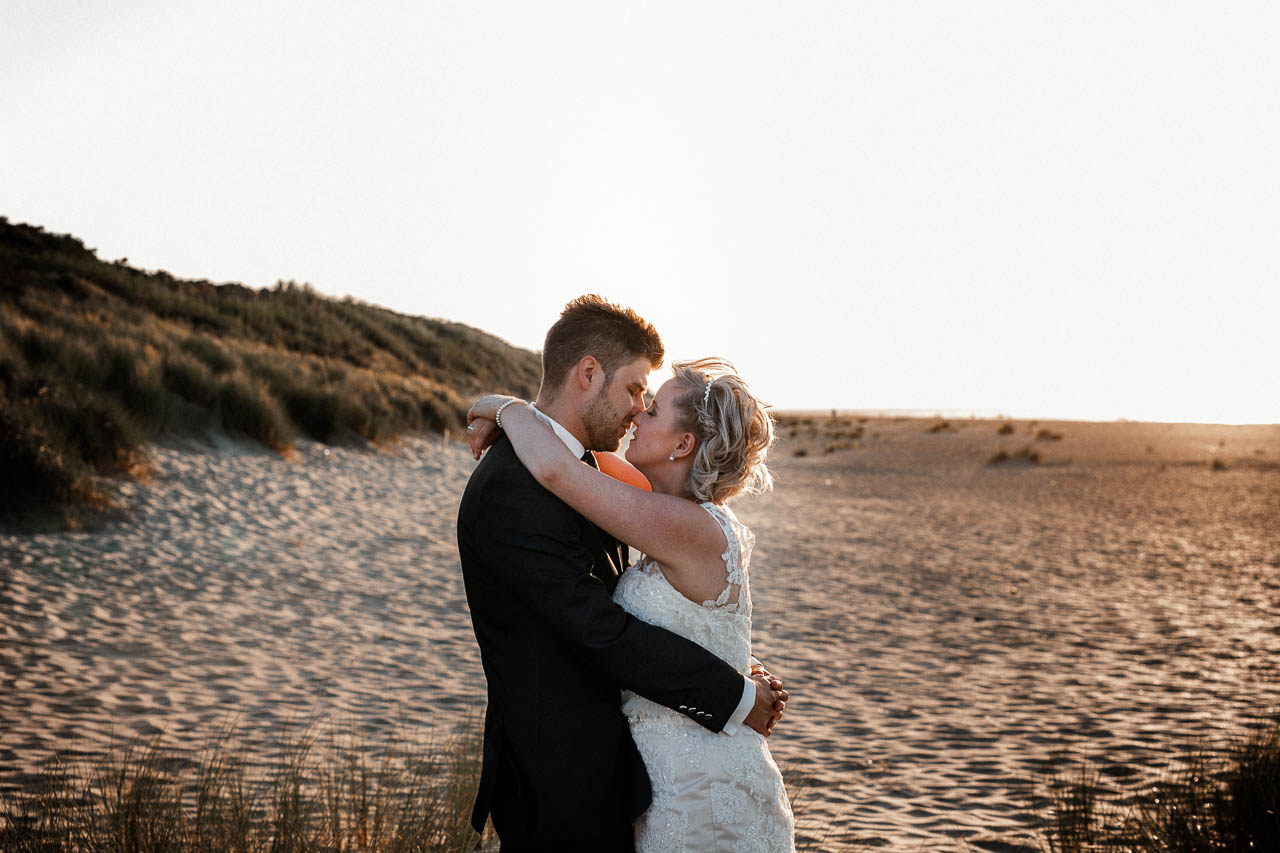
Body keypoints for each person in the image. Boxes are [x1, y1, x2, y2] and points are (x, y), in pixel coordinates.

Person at [456, 296, 791, 852]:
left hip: (651, 778)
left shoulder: (602, 480)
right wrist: (732, 690)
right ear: (588, 372)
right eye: (637, 390)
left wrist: (508, 409)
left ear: (685, 444)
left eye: (650, 403)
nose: (639, 410)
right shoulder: (515, 489)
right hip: (560, 780)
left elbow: (626, 597)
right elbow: (602, 630)